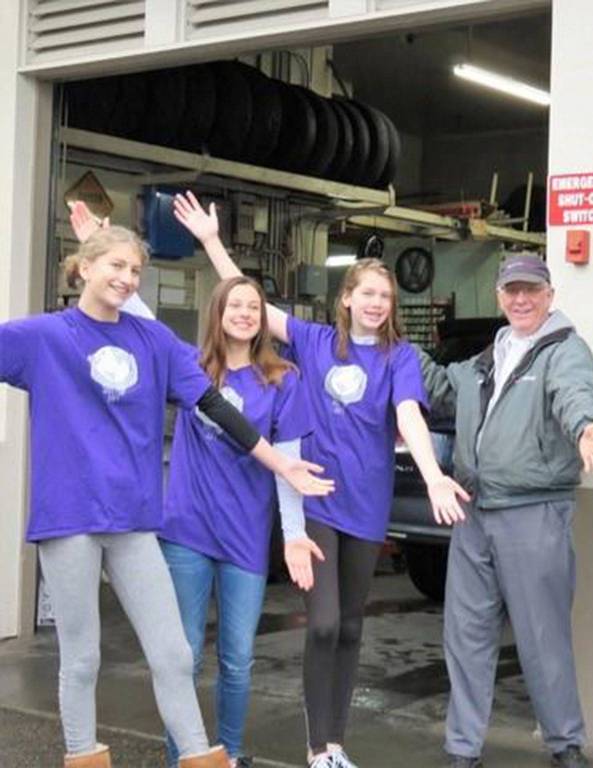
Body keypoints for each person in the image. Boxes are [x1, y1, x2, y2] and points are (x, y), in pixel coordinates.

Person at [0, 226, 333, 768]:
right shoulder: (43, 337)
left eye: (134, 270)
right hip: (69, 518)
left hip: (134, 520)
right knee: (81, 658)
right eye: (115, 266)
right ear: (83, 268)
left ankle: (201, 759)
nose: (126, 278)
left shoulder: (152, 342)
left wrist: (280, 463)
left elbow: (216, 408)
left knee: (174, 653)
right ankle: (83, 755)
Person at [173, 190, 467, 768]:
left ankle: (335, 744)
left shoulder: (400, 358)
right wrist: (211, 242)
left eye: (385, 295)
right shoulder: (311, 340)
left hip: (368, 503)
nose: (377, 303)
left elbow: (408, 414)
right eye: (368, 294)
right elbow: (249, 302)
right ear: (347, 299)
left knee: (353, 628)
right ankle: (315, 747)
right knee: (325, 623)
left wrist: (433, 475)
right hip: (316, 500)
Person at [416, 253, 593, 768]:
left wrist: (586, 427)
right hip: (474, 513)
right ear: (500, 297)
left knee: (542, 638)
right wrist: (388, 346)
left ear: (550, 295)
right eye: (511, 291)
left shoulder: (564, 352)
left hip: (533, 511)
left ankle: (566, 746)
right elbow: (437, 387)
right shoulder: (489, 356)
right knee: (465, 637)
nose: (521, 299)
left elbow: (574, 395)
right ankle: (463, 750)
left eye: (531, 289)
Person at [159, 276, 325, 768]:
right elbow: (143, 328)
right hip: (186, 530)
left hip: (245, 536)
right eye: (236, 304)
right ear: (218, 311)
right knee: (182, 658)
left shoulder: (282, 378)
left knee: (237, 659)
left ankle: (228, 755)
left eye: (254, 306)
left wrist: (294, 536)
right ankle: (185, 757)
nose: (245, 313)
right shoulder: (190, 368)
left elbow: (290, 465)